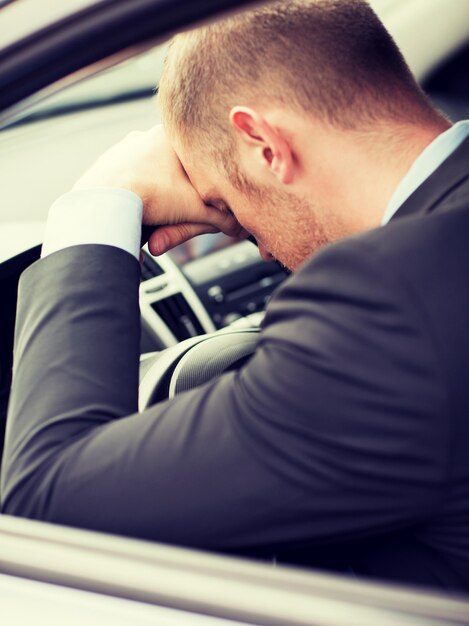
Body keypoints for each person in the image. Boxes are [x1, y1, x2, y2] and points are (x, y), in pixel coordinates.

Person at [2, 0, 469, 592]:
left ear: (264, 143)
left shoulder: (391, 309)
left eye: (230, 208)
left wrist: (101, 199)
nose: (264, 252)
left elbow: (46, 502)